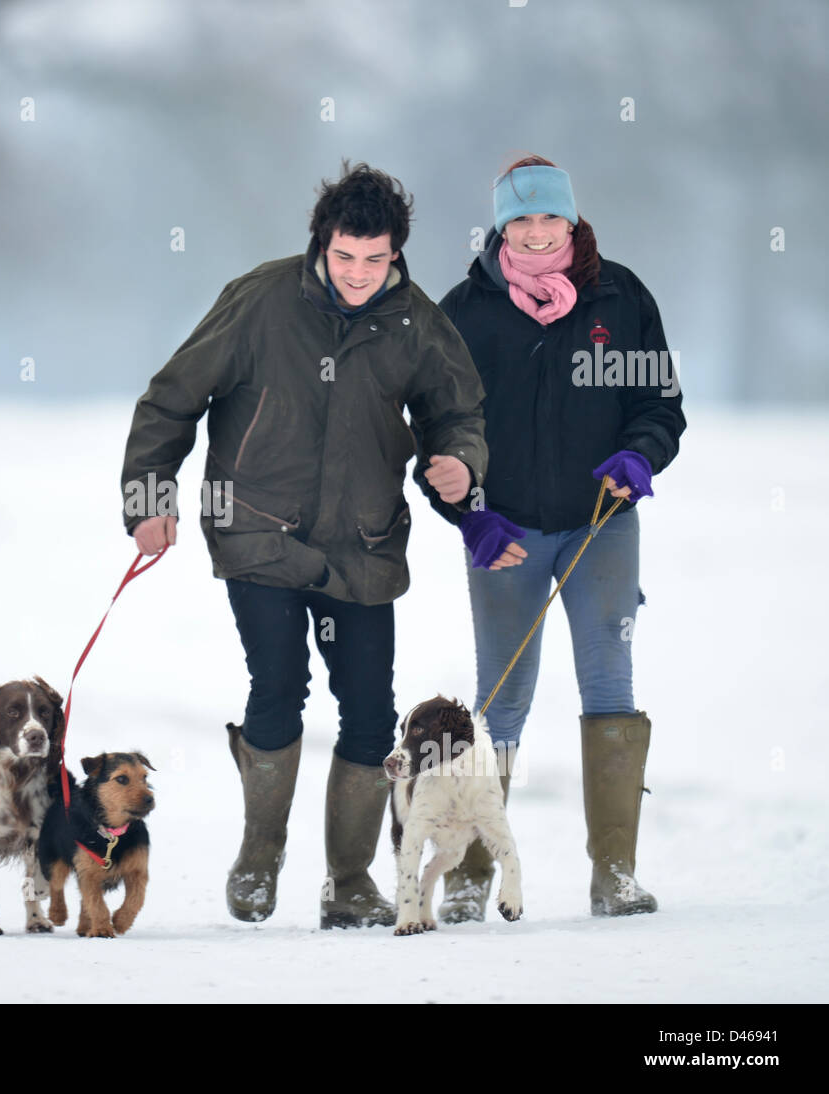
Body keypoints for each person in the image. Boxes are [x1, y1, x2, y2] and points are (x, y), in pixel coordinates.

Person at [120, 163, 487, 928]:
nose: (358, 275)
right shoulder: (261, 300)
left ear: (397, 254)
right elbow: (171, 399)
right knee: (278, 686)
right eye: (345, 257)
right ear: (322, 243)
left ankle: (348, 881)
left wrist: (460, 463)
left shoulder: (416, 321)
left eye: (375, 259)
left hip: (365, 544)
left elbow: (457, 415)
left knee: (368, 711)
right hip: (258, 528)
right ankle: (260, 857)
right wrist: (151, 498)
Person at [432, 156, 685, 919]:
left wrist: (639, 454)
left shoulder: (622, 296)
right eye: (522, 220)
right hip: (504, 534)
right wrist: (471, 513)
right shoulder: (465, 312)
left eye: (551, 219)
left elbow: (660, 401)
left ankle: (614, 875)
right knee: (500, 704)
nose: (538, 233)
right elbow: (434, 432)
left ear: (572, 223)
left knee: (611, 687)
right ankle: (472, 876)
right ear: (501, 227)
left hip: (600, 525)